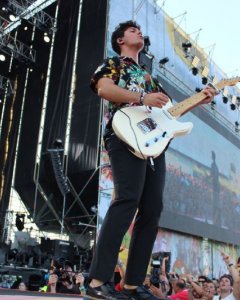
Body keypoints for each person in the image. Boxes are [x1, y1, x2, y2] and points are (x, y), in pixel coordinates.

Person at [86, 20, 217, 300]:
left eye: (140, 31)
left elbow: (169, 113)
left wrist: (200, 100)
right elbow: (104, 90)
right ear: (120, 40)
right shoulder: (112, 64)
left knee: (153, 208)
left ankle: (133, 285)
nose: (140, 33)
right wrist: (143, 96)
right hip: (124, 136)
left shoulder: (149, 76)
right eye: (133, 31)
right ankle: (97, 281)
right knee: (127, 200)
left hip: (153, 146)